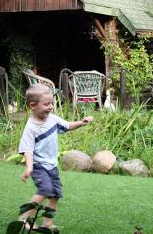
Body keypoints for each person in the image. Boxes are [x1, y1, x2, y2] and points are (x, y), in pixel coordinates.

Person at [18, 84, 93, 229]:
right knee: (45, 190)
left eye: (51, 103)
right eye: (46, 104)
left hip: (52, 165)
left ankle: (48, 223)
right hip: (39, 165)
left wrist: (81, 123)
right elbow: (27, 149)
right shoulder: (31, 127)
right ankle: (24, 218)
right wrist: (29, 167)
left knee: (55, 195)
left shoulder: (52, 119)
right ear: (33, 105)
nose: (51, 106)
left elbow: (67, 126)